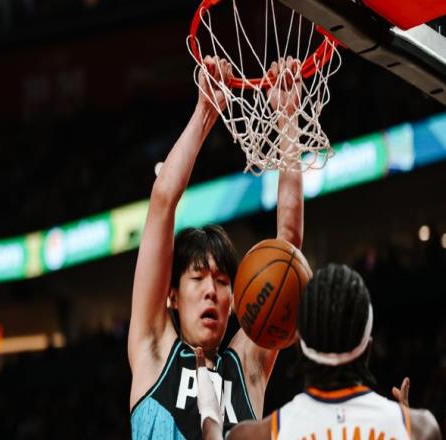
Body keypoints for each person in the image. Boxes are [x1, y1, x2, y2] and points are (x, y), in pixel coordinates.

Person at [128, 55, 305, 439]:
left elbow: (288, 245)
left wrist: (288, 119)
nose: (211, 290)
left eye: (223, 281)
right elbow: (162, 202)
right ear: (172, 296)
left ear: (236, 300)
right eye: (198, 278)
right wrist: (205, 112)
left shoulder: (247, 368)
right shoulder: (153, 348)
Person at [196, 264, 442, 440]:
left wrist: (208, 408)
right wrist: (402, 423)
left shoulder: (257, 435)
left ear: (298, 344)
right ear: (367, 347)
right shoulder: (420, 429)